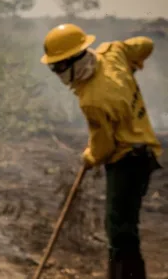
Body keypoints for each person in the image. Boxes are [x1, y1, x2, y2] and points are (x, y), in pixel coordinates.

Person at [40, 23, 163, 279]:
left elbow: (103, 146)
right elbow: (146, 45)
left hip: (127, 160)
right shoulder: (113, 53)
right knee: (124, 227)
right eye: (54, 67)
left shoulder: (93, 100)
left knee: (119, 230)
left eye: (60, 66)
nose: (57, 72)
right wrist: (129, 64)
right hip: (146, 152)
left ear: (77, 59)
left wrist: (89, 157)